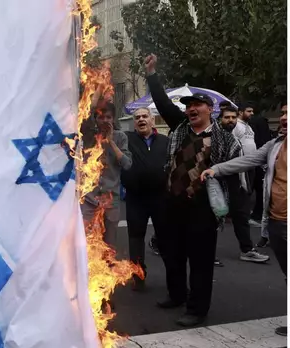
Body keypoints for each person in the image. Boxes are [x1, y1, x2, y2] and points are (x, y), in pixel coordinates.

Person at [145, 54, 241, 327]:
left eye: (197, 105)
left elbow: (232, 173)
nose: (191, 109)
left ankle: (197, 308)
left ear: (209, 109)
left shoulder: (224, 138)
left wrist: (230, 208)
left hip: (202, 208)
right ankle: (176, 295)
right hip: (172, 202)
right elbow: (163, 104)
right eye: (188, 106)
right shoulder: (180, 128)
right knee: (171, 253)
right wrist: (152, 74)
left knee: (200, 260)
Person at [201, 102, 287, 336]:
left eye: (288, 114)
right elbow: (249, 160)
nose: (283, 118)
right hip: (277, 220)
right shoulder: (276, 145)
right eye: (282, 113)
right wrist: (217, 169)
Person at [121, 107, 168, 291]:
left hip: (160, 197)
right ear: (134, 122)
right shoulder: (127, 139)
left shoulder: (165, 141)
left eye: (145, 116)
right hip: (136, 198)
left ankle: (174, 280)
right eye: (137, 117)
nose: (141, 119)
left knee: (166, 239)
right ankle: (138, 276)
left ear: (152, 120)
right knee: (135, 239)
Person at [217, 106, 269, 263]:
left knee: (241, 215)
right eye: (227, 117)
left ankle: (247, 250)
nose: (231, 120)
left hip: (239, 177)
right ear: (220, 119)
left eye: (233, 117)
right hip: (218, 179)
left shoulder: (241, 132)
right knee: (211, 218)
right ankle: (205, 253)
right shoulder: (215, 136)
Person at [80, 101, 132, 249]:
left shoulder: (121, 137)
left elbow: (127, 164)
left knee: (109, 247)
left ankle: (108, 271)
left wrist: (111, 142)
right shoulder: (87, 136)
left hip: (111, 200)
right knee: (87, 245)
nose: (105, 121)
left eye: (108, 117)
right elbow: (84, 113)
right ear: (96, 119)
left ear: (113, 119)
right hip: (89, 200)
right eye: (101, 117)